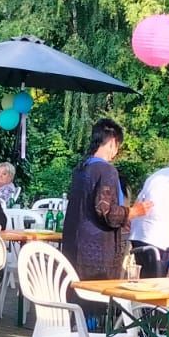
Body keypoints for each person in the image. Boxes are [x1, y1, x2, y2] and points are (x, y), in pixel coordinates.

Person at [61, 118, 146, 284]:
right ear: (113, 143)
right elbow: (106, 212)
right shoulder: (106, 170)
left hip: (74, 246)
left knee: (77, 300)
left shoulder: (81, 168)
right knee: (96, 302)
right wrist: (133, 212)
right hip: (96, 253)